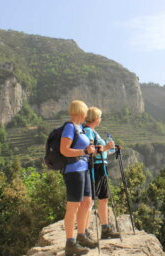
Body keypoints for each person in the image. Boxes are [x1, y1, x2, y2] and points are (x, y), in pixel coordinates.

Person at [60, 100, 97, 256]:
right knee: (73, 206)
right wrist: (83, 152)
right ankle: (70, 243)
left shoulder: (80, 128)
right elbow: (64, 150)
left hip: (84, 168)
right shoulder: (69, 127)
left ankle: (81, 235)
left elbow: (83, 149)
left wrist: (91, 150)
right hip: (74, 170)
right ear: (81, 112)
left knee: (87, 201)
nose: (86, 116)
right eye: (85, 113)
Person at [83, 106, 121, 239]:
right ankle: (84, 231)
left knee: (104, 198)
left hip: (101, 167)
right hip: (94, 168)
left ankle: (105, 229)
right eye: (99, 116)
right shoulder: (87, 131)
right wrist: (105, 147)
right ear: (95, 118)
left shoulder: (94, 132)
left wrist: (111, 149)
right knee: (90, 200)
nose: (101, 119)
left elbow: (101, 151)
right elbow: (89, 151)